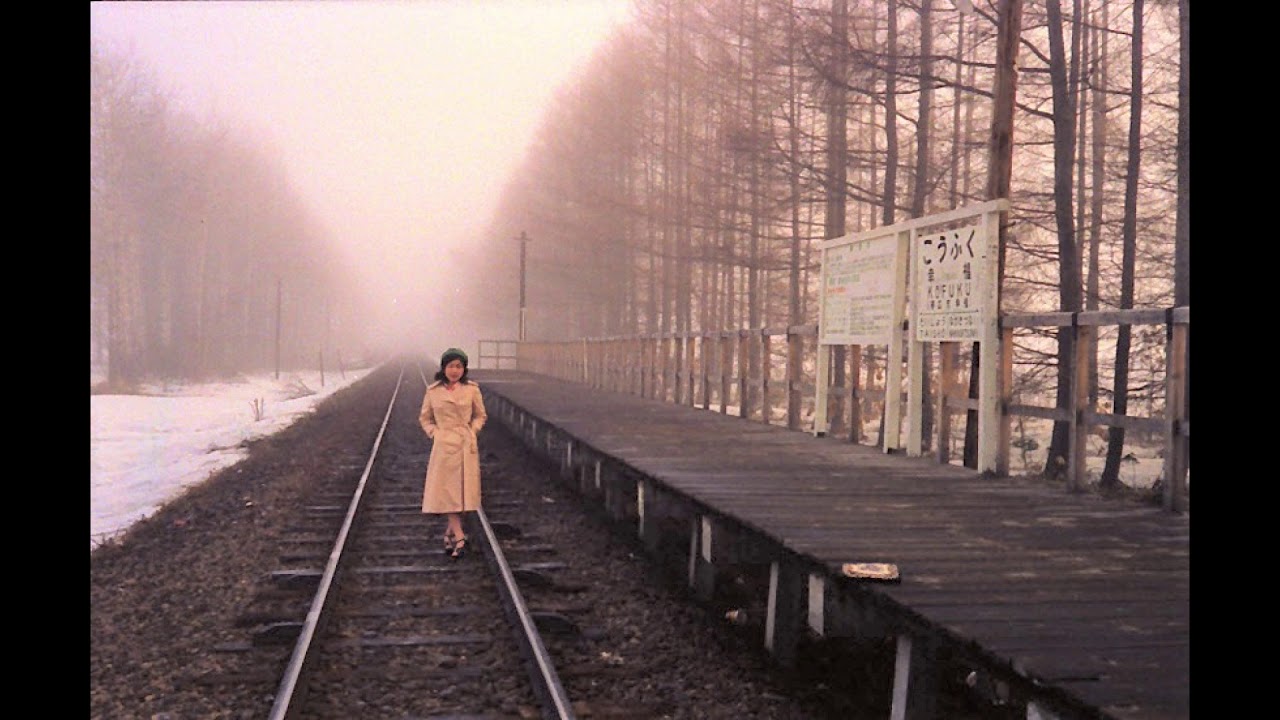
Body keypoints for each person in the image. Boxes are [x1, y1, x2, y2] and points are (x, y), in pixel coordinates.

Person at [419, 347, 487, 560]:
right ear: (443, 368)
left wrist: (472, 431)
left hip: (466, 445)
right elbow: (425, 418)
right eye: (451, 366)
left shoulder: (472, 390)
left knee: (462, 493)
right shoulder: (433, 391)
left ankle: (449, 533)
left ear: (464, 369)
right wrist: (435, 434)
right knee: (448, 492)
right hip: (444, 447)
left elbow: (480, 415)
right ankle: (459, 536)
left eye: (459, 366)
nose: (455, 370)